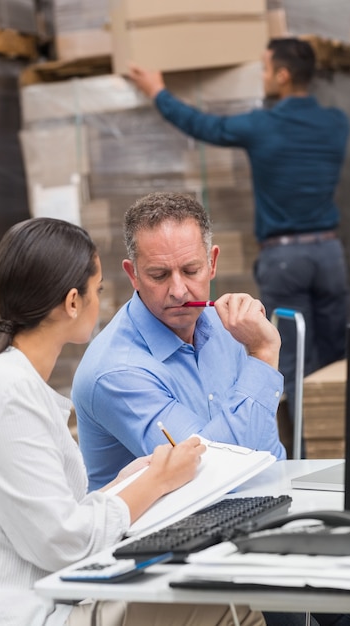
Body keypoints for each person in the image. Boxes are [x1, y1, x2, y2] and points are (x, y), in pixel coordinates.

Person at [0, 216, 266, 626]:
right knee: (235, 608)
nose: (178, 290)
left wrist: (130, 478)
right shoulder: (6, 398)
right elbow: (65, 542)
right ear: (73, 302)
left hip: (45, 597)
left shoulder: (11, 387)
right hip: (23, 614)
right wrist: (156, 481)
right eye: (99, 290)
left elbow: (51, 515)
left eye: (191, 270)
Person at [127, 37, 350, 431]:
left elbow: (203, 125)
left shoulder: (262, 125)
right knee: (337, 363)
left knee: (294, 365)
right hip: (331, 256)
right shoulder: (336, 123)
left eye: (264, 69)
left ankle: (305, 452)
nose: (262, 77)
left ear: (282, 75)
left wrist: (157, 91)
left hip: (285, 260)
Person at [73, 191, 286, 493]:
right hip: (162, 531)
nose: (178, 291)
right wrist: (262, 356)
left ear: (212, 263)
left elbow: (267, 451)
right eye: (159, 275)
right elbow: (209, 471)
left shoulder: (228, 326)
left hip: (249, 504)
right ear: (132, 275)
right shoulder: (115, 371)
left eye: (190, 271)